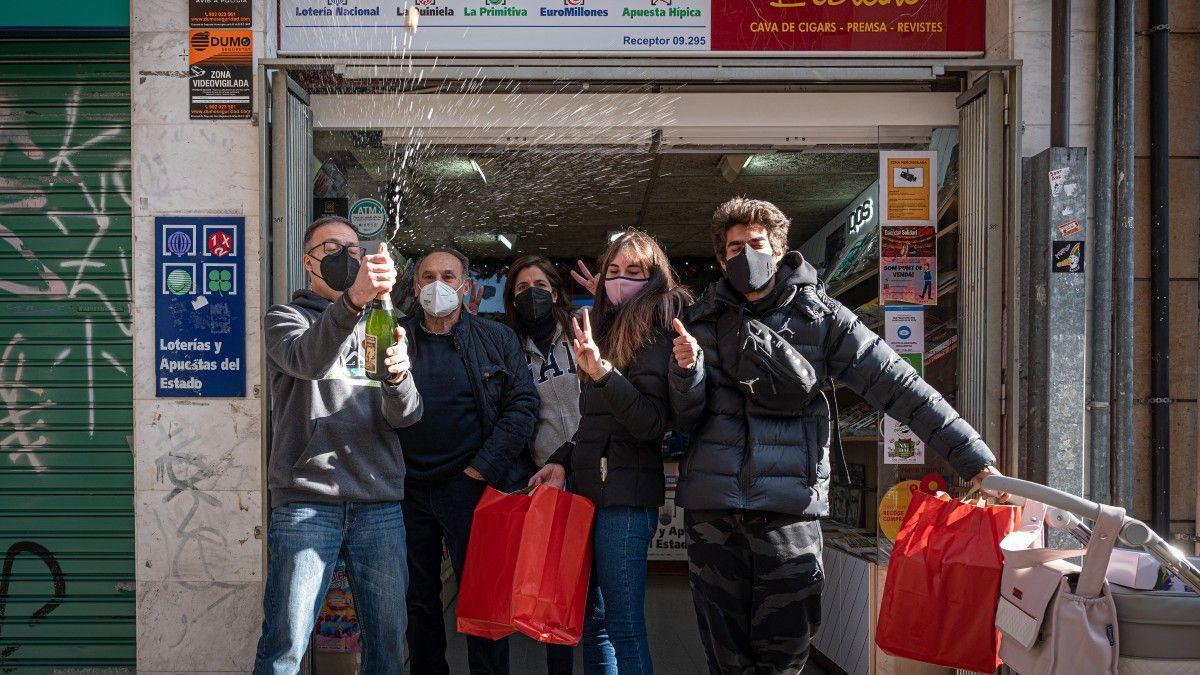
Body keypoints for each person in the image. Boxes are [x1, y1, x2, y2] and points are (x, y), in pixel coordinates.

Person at [668, 197, 1007, 674]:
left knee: (785, 653)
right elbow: (685, 418)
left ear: (780, 248)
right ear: (722, 259)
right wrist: (686, 372)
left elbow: (898, 384)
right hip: (713, 513)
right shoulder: (701, 322)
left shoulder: (822, 317)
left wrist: (971, 455)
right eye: (735, 247)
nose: (747, 255)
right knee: (725, 658)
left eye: (757, 244)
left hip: (788, 511)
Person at [255, 216, 422, 674]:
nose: (345, 256)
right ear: (308, 261)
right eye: (331, 247)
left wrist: (398, 377)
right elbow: (307, 360)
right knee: (285, 644)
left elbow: (406, 415)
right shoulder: (283, 318)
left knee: (388, 645)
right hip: (308, 503)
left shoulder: (383, 323)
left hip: (379, 503)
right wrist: (353, 300)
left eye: (353, 249)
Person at [530, 230, 692, 675]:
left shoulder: (658, 333)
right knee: (594, 623)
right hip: (590, 492)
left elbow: (650, 424)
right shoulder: (609, 328)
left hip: (626, 500)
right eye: (613, 273)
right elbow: (593, 426)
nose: (621, 281)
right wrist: (561, 461)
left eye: (634, 272)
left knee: (623, 626)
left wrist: (602, 373)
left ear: (654, 277)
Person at [396, 246, 539, 675]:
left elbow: (523, 405)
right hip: (407, 489)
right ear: (415, 285)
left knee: (483, 601)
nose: (437, 285)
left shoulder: (497, 339)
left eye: (447, 275)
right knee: (418, 601)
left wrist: (481, 468)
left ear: (466, 285)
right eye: (427, 276)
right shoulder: (395, 337)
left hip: (471, 488)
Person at [502, 255, 582, 675]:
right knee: (555, 594)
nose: (530, 293)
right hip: (546, 478)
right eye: (520, 287)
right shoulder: (512, 349)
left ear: (555, 291)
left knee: (598, 598)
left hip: (594, 468)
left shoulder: (581, 332)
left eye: (539, 284)